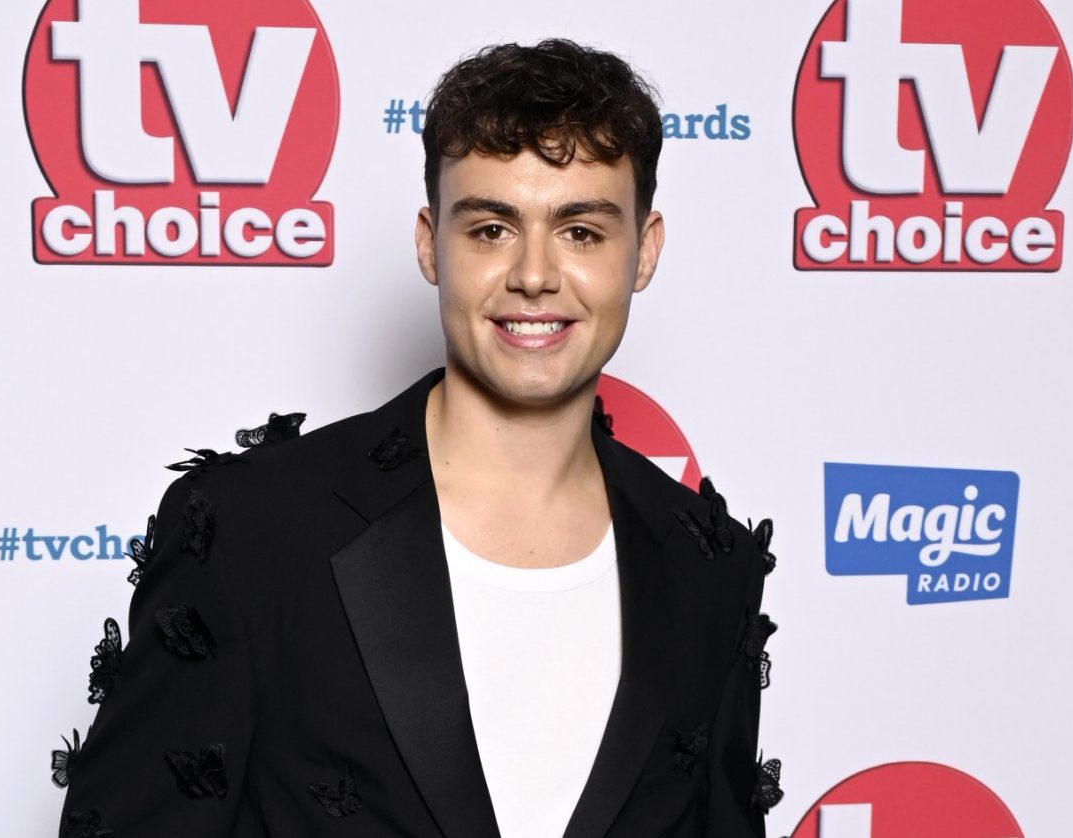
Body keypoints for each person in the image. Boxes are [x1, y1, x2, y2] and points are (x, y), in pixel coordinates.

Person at [55, 37, 779, 838]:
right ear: (431, 244)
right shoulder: (252, 531)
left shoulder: (709, 566)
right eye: (492, 229)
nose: (534, 275)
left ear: (644, 251)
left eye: (581, 232)